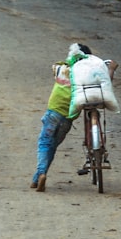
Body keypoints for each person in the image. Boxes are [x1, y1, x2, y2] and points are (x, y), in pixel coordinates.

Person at [30, 43, 94, 192]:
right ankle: (36, 178)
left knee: (44, 143)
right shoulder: (86, 75)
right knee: (51, 146)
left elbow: (55, 66)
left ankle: (41, 174)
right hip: (68, 118)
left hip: (53, 113)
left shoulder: (61, 68)